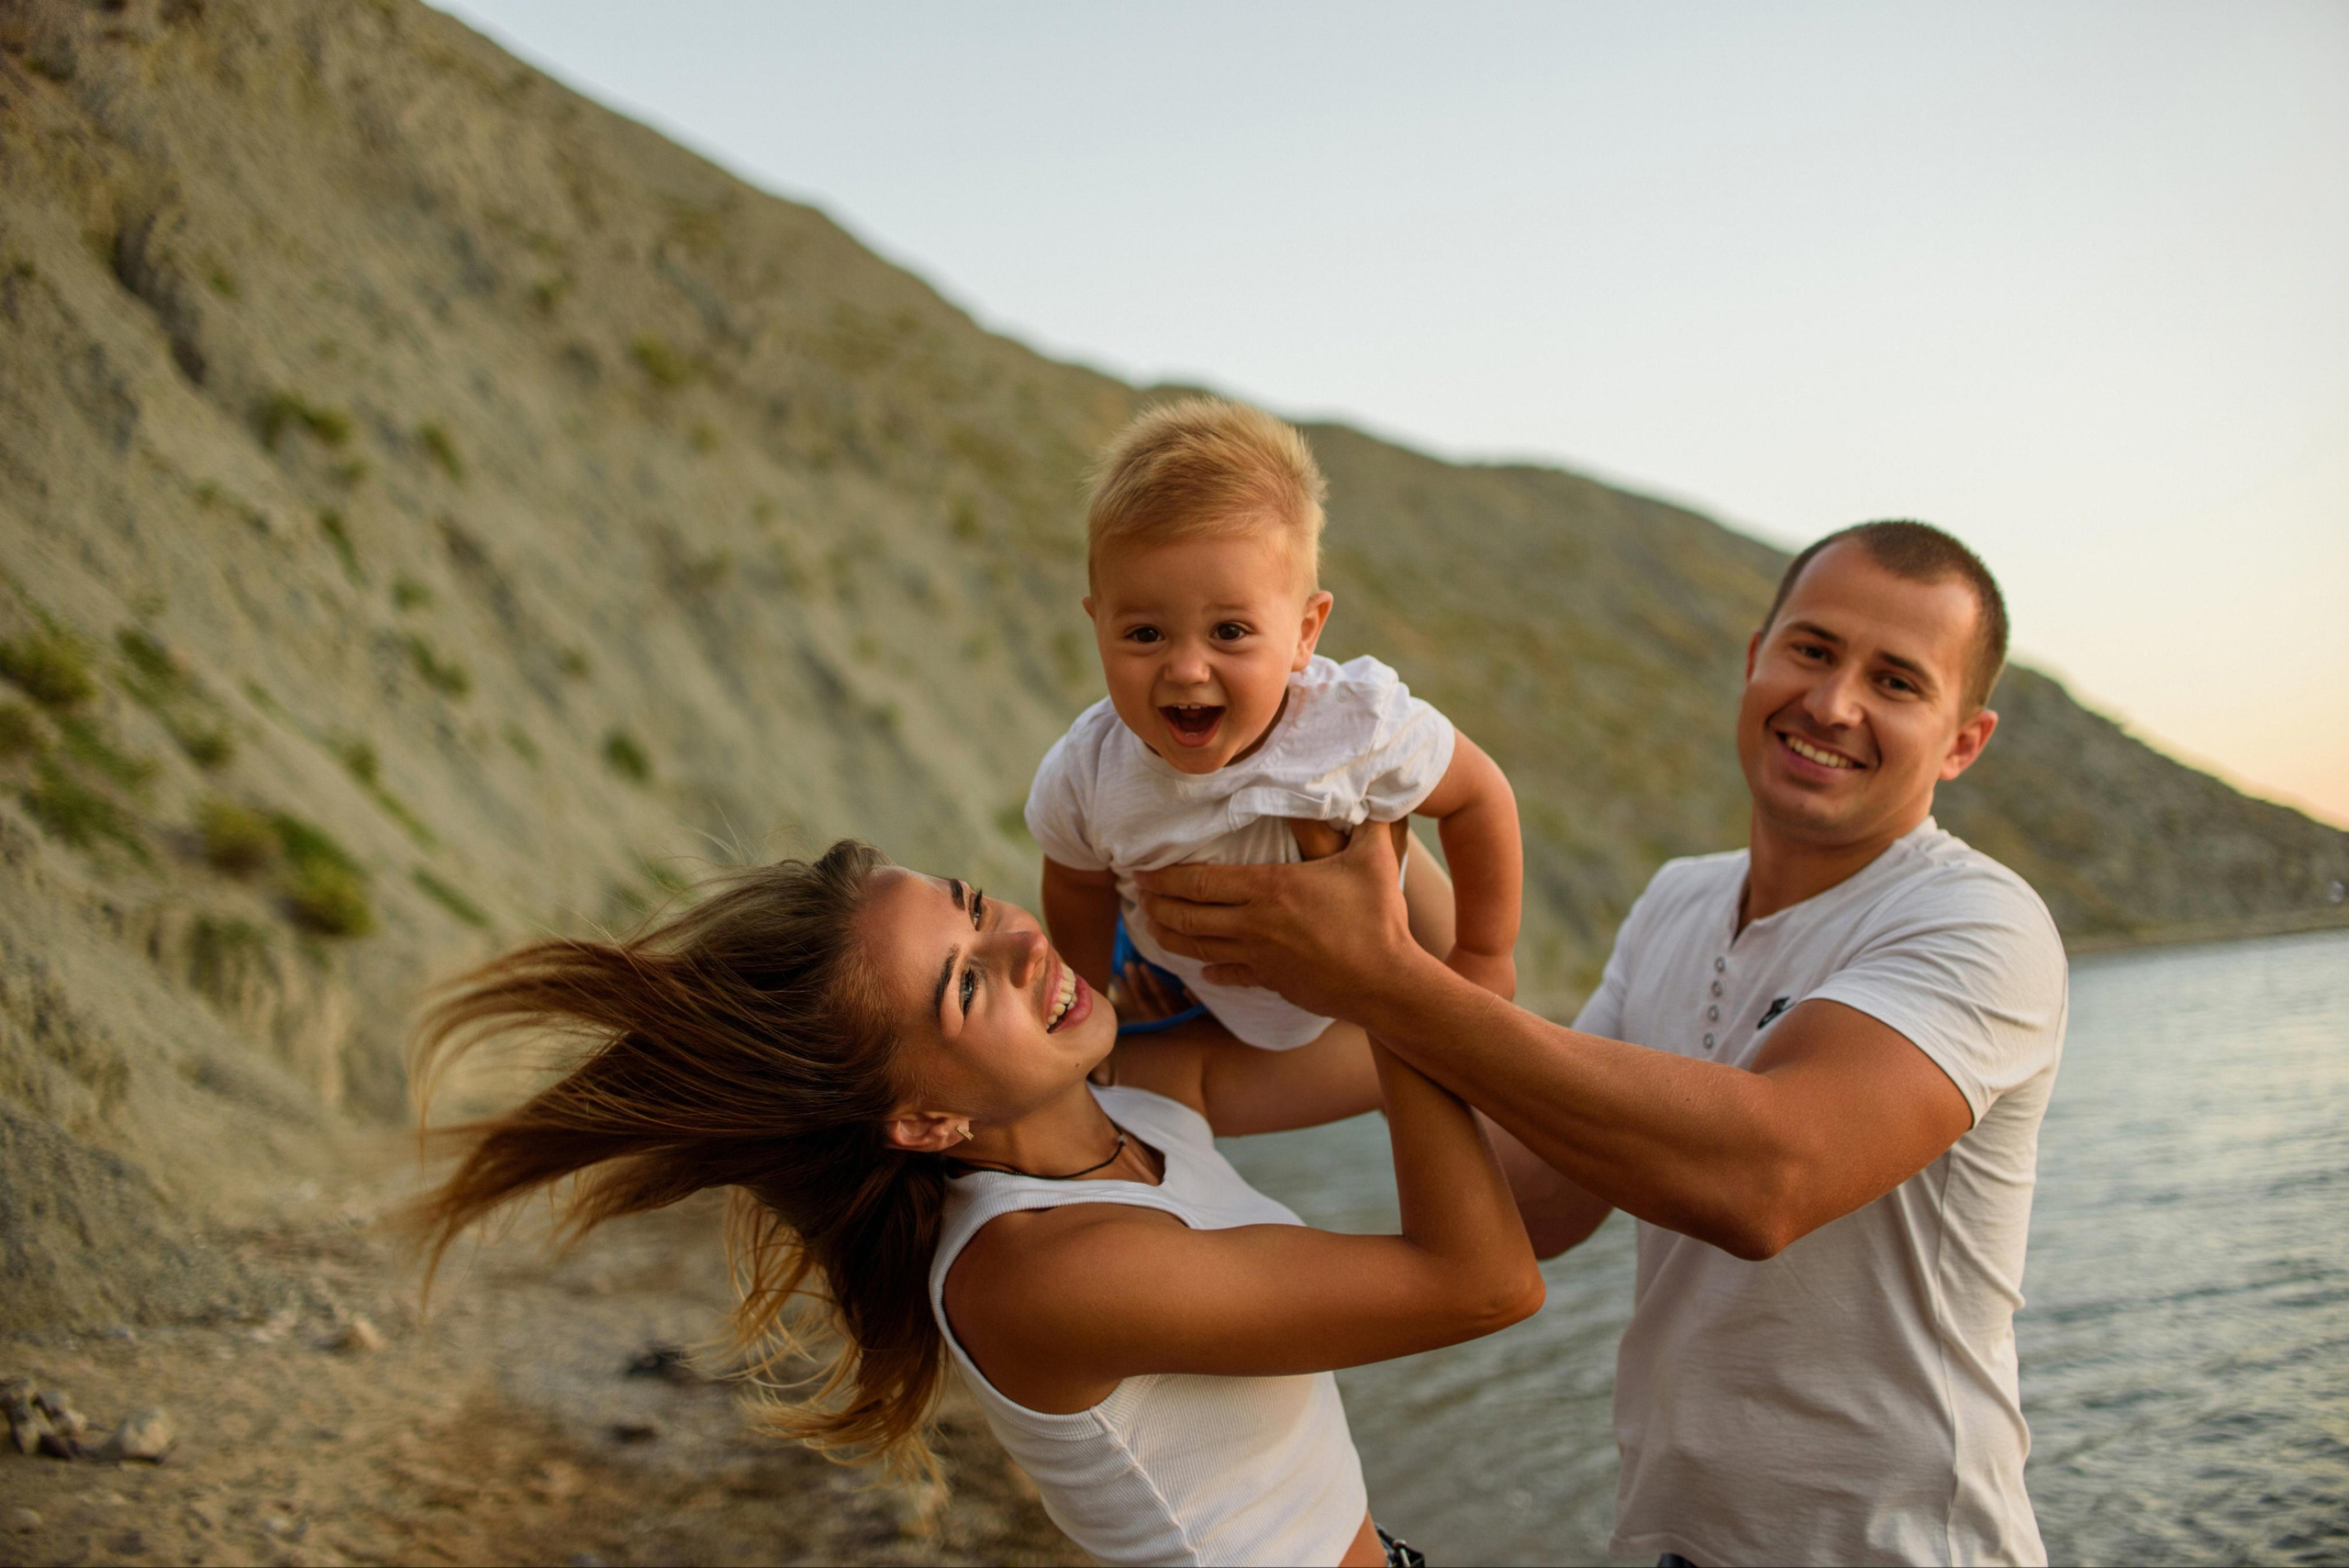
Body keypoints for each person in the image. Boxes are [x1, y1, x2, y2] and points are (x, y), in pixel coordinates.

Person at [1138, 521, 2070, 1567]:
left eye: (1896, 681)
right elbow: (1536, 1203)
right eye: (1811, 650)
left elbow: (1765, 1179)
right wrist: (1364, 861)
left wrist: (1382, 978)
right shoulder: (1678, 900)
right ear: (1755, 655)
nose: (1833, 702)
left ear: (1961, 740)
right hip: (1669, 1537)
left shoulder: (1979, 922)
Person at [406, 838, 1542, 1568]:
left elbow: (1466, 1014)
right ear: (922, 1121)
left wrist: (1351, 800)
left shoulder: (1147, 1099)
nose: (1017, 939)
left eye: (970, 905)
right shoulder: (1038, 1271)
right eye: (963, 982)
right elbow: (1485, 1282)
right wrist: (1376, 976)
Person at [1028, 396, 1522, 1050]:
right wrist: (1097, 1004)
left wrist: (1484, 955)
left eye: (1229, 631)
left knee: (1449, 1057)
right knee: (1153, 1077)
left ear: (1304, 633)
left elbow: (1479, 795)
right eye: (1145, 633)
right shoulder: (1088, 769)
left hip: (1356, 998)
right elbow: (1074, 881)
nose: (1185, 667)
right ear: (1097, 626)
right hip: (1188, 998)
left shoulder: (1355, 722)